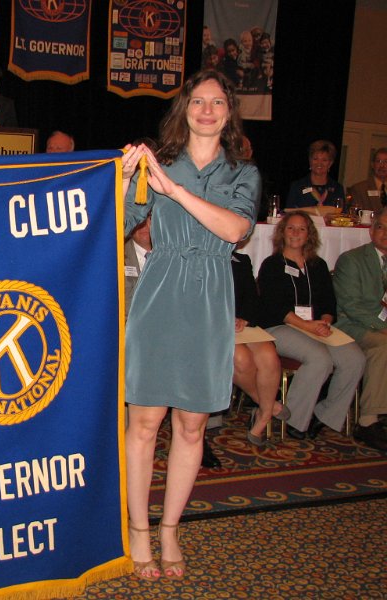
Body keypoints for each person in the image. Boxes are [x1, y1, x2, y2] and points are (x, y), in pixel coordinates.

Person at [122, 69, 259, 581]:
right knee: (143, 423)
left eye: (217, 102)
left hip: (209, 300)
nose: (206, 110)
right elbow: (119, 220)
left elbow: (235, 230)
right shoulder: (160, 165)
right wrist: (124, 177)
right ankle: (138, 530)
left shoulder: (243, 173)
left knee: (192, 424)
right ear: (184, 110)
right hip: (159, 296)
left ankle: (169, 529)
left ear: (228, 114)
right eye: (197, 101)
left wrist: (173, 192)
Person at [257, 211, 365, 440]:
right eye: (290, 228)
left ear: (309, 235)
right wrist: (308, 327)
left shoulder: (318, 265)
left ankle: (323, 415)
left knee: (354, 358)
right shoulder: (272, 265)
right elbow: (275, 307)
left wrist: (325, 322)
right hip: (280, 327)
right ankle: (294, 418)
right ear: (282, 233)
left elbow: (329, 302)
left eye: (302, 229)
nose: (296, 233)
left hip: (316, 327)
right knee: (320, 359)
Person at [332, 207, 387, 451]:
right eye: (381, 226)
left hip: (380, 327)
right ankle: (367, 422)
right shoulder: (352, 259)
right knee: (383, 345)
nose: (385, 233)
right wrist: (383, 327)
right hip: (353, 325)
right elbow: (351, 306)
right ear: (371, 229)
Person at [231, 250, 289, 446]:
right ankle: (269, 406)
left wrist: (244, 319)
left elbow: (251, 298)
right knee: (240, 357)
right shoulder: (200, 257)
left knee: (269, 355)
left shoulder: (242, 260)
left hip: (241, 325)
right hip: (214, 325)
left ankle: (263, 417)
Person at [285, 140, 346, 210]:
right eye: (315, 159)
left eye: (324, 160)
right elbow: (289, 214)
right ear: (310, 161)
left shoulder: (337, 189)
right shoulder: (297, 186)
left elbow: (342, 215)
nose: (319, 163)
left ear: (330, 163)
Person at [347, 148, 387, 212]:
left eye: (386, 162)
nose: (382, 165)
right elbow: (355, 216)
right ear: (372, 165)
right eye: (378, 161)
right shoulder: (359, 189)